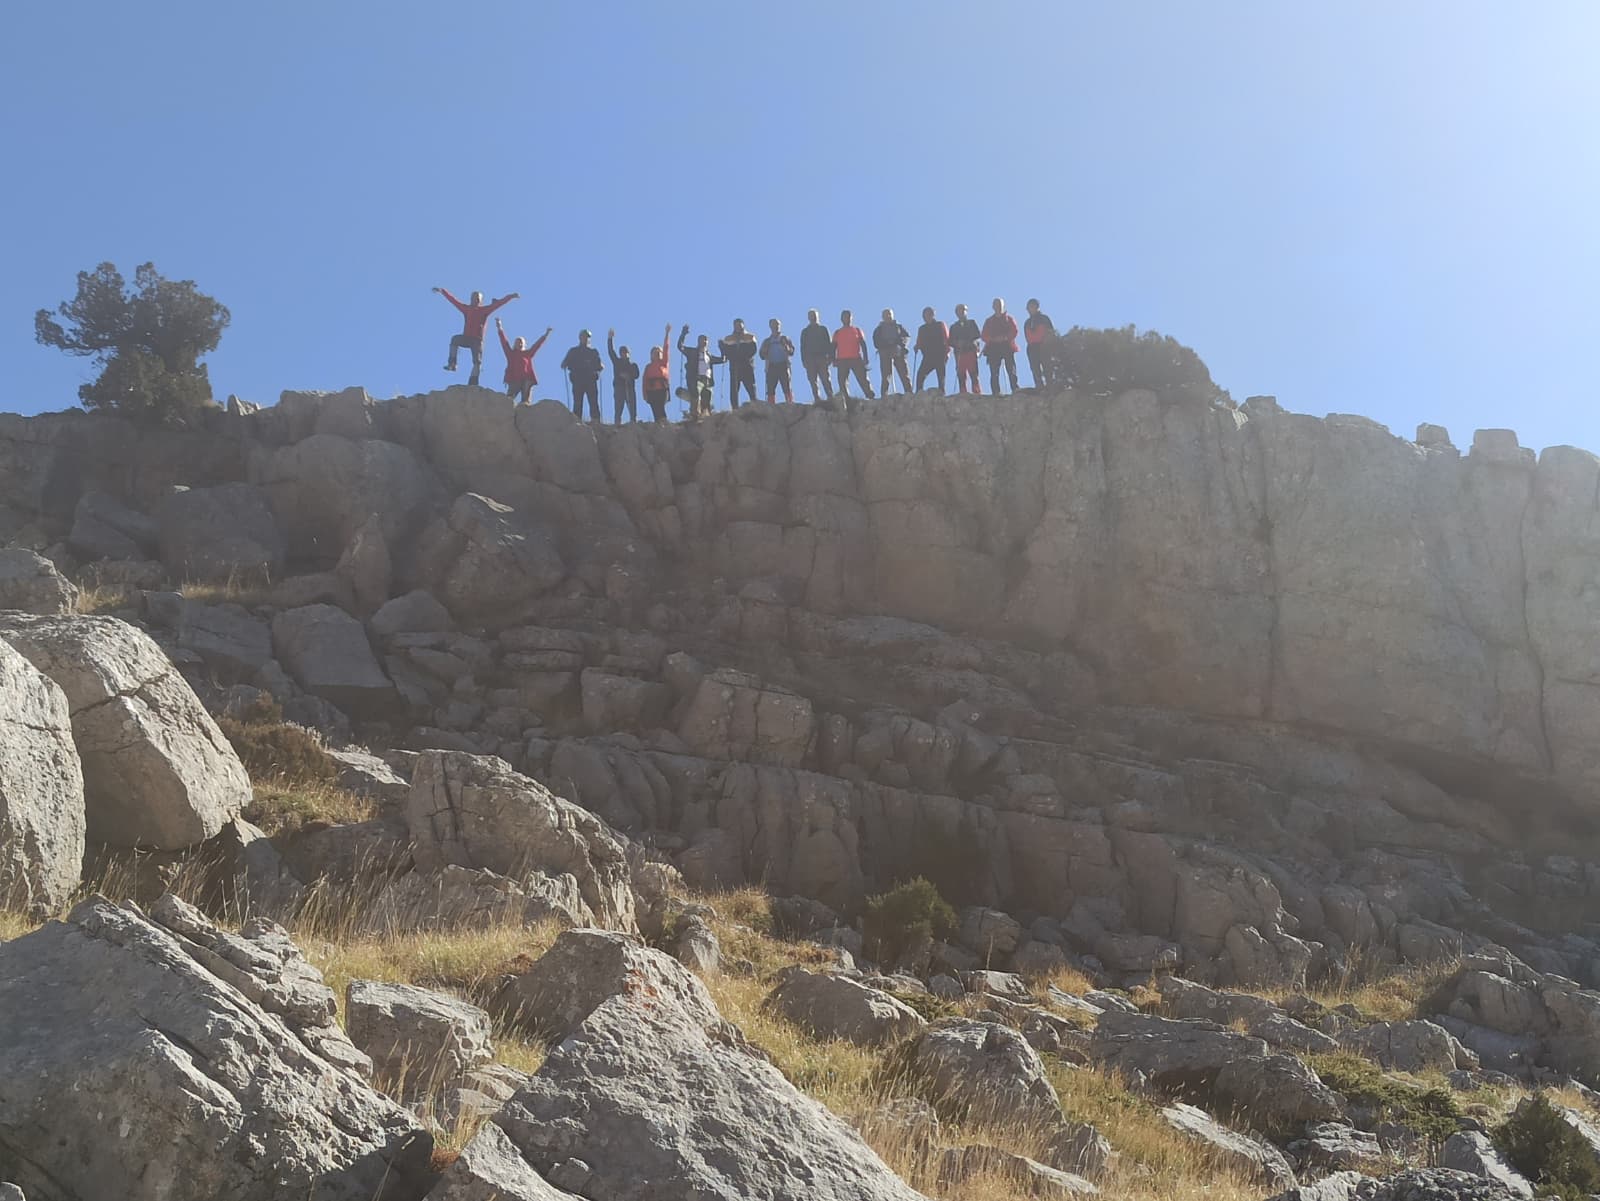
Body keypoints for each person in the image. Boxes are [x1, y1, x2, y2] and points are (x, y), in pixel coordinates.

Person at [434, 286, 518, 387]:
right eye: (474, 298)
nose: (476, 300)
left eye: (478, 298)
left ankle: (473, 382)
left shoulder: (485, 310)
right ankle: (452, 364)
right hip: (467, 338)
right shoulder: (466, 309)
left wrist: (511, 297)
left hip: (477, 341)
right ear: (471, 299)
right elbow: (454, 301)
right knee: (455, 339)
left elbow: (498, 304)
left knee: (477, 362)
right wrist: (443, 291)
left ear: (481, 300)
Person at [495, 317, 550, 405]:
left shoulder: (528, 353)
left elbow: (537, 346)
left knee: (525, 402)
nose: (519, 344)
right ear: (515, 344)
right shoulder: (511, 354)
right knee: (508, 400)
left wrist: (545, 335)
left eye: (521, 342)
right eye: (517, 342)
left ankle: (525, 410)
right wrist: (499, 328)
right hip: (514, 379)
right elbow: (504, 342)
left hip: (526, 379)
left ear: (524, 344)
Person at [677, 324, 724, 420]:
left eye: (706, 340)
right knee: (695, 396)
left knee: (707, 399)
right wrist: (683, 334)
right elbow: (680, 346)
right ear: (698, 341)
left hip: (708, 381)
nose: (704, 341)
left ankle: (705, 416)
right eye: (702, 339)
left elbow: (723, 359)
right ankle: (695, 415)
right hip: (696, 378)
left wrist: (722, 348)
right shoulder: (692, 352)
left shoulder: (709, 356)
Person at [560, 329, 605, 423]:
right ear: (580, 338)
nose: (586, 339)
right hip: (578, 380)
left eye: (587, 337)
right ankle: (576, 421)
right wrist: (565, 364)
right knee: (577, 402)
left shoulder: (593, 352)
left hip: (590, 380)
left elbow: (599, 365)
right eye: (584, 337)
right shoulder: (574, 351)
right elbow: (565, 362)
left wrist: (600, 367)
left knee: (593, 402)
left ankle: (595, 421)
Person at [832, 309, 873, 399]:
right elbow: (833, 347)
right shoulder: (837, 332)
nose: (846, 318)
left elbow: (863, 344)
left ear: (851, 318)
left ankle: (870, 396)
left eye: (848, 316)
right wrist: (833, 360)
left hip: (856, 358)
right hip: (842, 360)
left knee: (863, 379)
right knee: (842, 381)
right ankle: (846, 399)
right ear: (841, 319)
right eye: (844, 317)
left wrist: (865, 358)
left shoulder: (857, 330)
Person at [718, 319, 760, 408]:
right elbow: (726, 353)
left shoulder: (749, 336)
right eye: (736, 326)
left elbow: (753, 350)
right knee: (734, 389)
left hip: (747, 365)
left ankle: (755, 405)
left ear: (743, 326)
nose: (738, 328)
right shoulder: (729, 338)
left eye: (740, 326)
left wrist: (741, 356)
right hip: (734, 367)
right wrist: (722, 347)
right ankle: (735, 408)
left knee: (751, 387)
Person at [982, 297, 1019, 395]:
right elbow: (984, 335)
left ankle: (1015, 388)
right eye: (996, 304)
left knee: (1011, 369)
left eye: (999, 304)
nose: (998, 306)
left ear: (1003, 306)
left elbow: (1014, 330)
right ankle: (995, 391)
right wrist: (993, 339)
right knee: (994, 371)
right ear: (993, 307)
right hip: (993, 348)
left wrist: (1005, 337)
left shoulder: (1009, 318)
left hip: (1007, 346)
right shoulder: (989, 321)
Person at [872, 308, 913, 396]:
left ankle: (909, 391)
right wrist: (886, 344)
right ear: (882, 317)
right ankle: (884, 394)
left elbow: (906, 336)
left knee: (903, 372)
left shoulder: (899, 326)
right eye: (886, 314)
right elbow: (876, 342)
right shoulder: (879, 329)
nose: (888, 316)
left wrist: (901, 345)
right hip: (885, 352)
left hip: (897, 350)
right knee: (886, 374)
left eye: (889, 314)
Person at [799, 308, 834, 402]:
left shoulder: (823, 329)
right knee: (812, 380)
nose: (812, 317)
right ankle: (817, 399)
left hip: (822, 357)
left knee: (826, 379)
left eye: (814, 315)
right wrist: (804, 360)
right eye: (810, 315)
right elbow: (802, 347)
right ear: (808, 318)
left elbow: (829, 344)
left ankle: (830, 397)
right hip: (810, 359)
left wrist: (831, 357)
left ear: (817, 316)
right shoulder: (805, 331)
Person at [607, 329, 641, 423]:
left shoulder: (633, 365)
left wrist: (629, 376)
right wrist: (610, 339)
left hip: (630, 387)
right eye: (622, 352)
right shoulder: (617, 362)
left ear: (629, 354)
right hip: (619, 387)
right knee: (618, 407)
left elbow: (637, 375)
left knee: (632, 407)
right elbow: (611, 352)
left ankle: (633, 422)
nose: (623, 354)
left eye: (625, 352)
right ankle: (617, 423)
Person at [1023, 298, 1058, 390]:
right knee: (1035, 368)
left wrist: (1047, 344)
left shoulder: (1044, 319)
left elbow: (1051, 332)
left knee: (1047, 367)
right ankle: (1039, 387)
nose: (1028, 309)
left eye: (1030, 307)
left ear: (1036, 307)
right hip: (1032, 348)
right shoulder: (1027, 322)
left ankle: (1050, 386)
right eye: (1028, 307)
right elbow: (1027, 336)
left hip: (1044, 347)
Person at [642, 323, 673, 423]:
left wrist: (667, 333)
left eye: (659, 351)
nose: (657, 353)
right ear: (651, 355)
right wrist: (644, 394)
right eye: (655, 352)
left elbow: (666, 348)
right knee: (655, 409)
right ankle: (658, 424)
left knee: (660, 407)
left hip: (662, 389)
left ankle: (664, 423)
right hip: (651, 390)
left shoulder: (664, 363)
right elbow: (644, 381)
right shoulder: (648, 367)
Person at [914, 306, 950, 393]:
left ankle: (942, 391)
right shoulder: (922, 329)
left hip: (940, 354)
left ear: (933, 315)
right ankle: (919, 392)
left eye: (929, 314)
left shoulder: (940, 324)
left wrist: (947, 352)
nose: (926, 316)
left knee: (941, 374)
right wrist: (917, 346)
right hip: (928, 355)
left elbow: (947, 338)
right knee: (920, 374)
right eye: (925, 315)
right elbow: (919, 341)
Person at [760, 318, 796, 403]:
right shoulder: (767, 341)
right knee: (770, 387)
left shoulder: (785, 339)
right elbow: (761, 355)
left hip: (783, 365)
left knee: (786, 385)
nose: (776, 327)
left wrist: (787, 348)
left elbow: (792, 351)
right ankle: (771, 404)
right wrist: (764, 351)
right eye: (774, 325)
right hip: (772, 365)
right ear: (770, 326)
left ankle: (790, 402)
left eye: (777, 325)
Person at [949, 303, 983, 394]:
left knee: (974, 373)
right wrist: (957, 343)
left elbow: (977, 335)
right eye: (959, 311)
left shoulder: (972, 323)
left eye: (963, 310)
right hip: (959, 353)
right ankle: (963, 392)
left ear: (966, 312)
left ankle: (977, 392)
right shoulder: (953, 327)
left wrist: (967, 341)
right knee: (961, 374)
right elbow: (950, 341)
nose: (961, 312)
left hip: (970, 350)